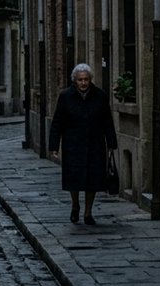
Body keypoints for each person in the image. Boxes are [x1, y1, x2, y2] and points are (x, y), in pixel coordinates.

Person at [48, 63, 118, 225]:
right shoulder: (66, 96)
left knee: (92, 180)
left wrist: (111, 142)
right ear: (75, 81)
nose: (83, 83)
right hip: (73, 144)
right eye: (80, 80)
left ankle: (88, 212)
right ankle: (75, 205)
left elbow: (107, 120)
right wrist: (54, 146)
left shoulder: (100, 96)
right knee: (74, 178)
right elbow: (58, 121)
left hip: (95, 144)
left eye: (86, 79)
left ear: (90, 80)